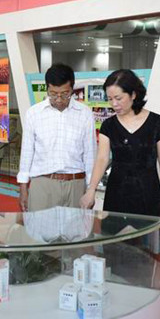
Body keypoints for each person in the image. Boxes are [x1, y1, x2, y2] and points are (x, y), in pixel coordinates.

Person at [80, 69, 160, 221]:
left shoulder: (157, 123)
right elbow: (102, 159)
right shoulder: (108, 125)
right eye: (110, 99)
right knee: (113, 234)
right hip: (116, 194)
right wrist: (91, 190)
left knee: (147, 235)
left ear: (133, 95)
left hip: (148, 194)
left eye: (118, 98)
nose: (114, 104)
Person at [19, 63, 96, 211]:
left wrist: (90, 189)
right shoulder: (34, 113)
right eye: (53, 94)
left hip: (76, 184)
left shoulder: (85, 114)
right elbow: (27, 153)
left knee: (76, 226)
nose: (59, 99)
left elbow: (90, 155)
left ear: (72, 89)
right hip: (43, 184)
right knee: (39, 226)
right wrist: (23, 188)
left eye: (65, 94)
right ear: (47, 88)